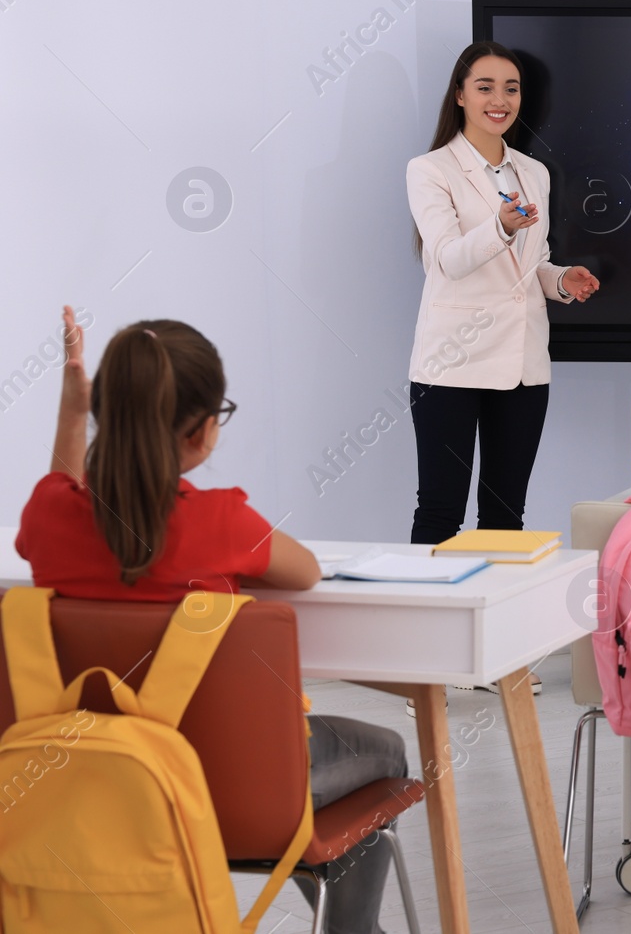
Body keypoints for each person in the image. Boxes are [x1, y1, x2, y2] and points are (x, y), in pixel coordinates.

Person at [16, 308, 408, 934]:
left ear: (104, 417)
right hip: (229, 789)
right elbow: (304, 571)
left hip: (86, 777)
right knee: (388, 749)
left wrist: (70, 411)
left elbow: (59, 494)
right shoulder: (224, 523)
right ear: (200, 432)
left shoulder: (46, 518)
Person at [406, 40, 600, 546]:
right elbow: (447, 258)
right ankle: (429, 624)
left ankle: (493, 625)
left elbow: (530, 264)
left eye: (511, 89)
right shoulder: (430, 170)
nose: (500, 99)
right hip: (452, 363)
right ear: (460, 96)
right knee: (440, 512)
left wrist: (561, 280)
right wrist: (500, 226)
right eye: (485, 87)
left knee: (505, 516)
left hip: (522, 363)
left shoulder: (533, 173)